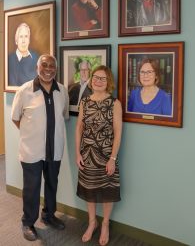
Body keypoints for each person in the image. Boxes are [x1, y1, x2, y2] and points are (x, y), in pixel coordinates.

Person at [11, 54, 69, 242]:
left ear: (56, 69)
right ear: (37, 67)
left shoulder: (62, 90)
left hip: (55, 149)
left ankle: (49, 215)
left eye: (52, 66)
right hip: (31, 151)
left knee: (52, 184)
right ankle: (28, 222)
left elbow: (63, 116)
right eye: (44, 65)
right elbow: (16, 118)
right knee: (32, 188)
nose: (48, 69)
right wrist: (32, 134)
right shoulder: (25, 90)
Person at [75, 65, 122, 246]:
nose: (98, 80)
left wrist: (113, 158)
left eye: (103, 78)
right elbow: (79, 128)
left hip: (106, 155)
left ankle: (105, 224)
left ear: (108, 81)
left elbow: (118, 132)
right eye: (95, 77)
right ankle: (92, 222)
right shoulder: (85, 102)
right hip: (87, 154)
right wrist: (77, 152)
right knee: (89, 189)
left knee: (107, 191)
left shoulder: (114, 103)